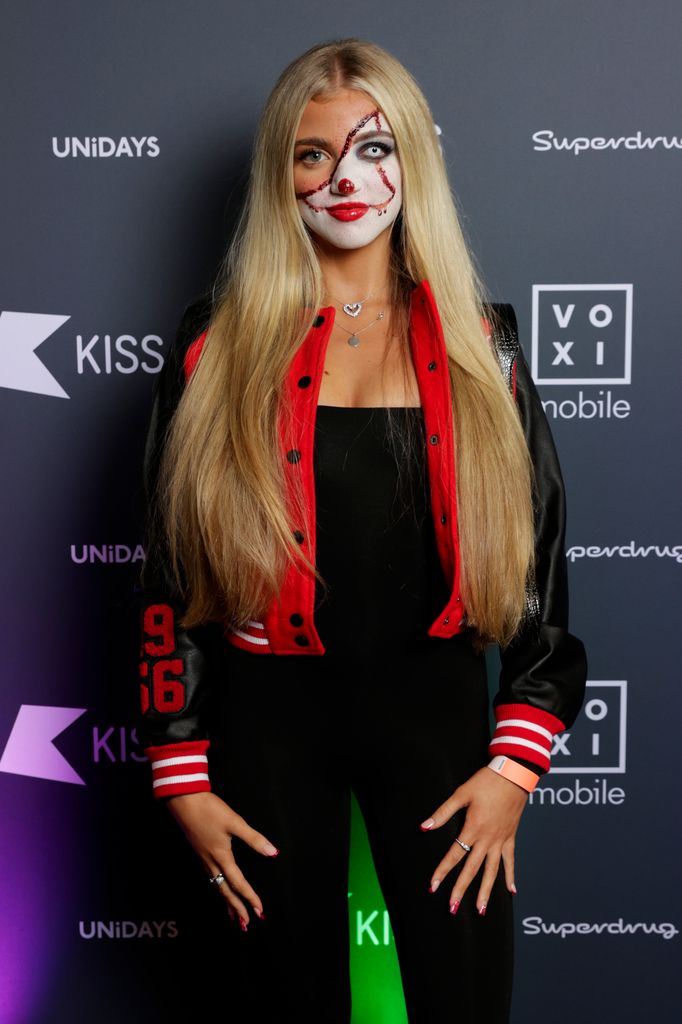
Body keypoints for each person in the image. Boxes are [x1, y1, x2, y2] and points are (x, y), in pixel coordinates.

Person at [134, 37, 587, 1023]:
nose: (343, 180)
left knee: (462, 1003)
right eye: (311, 154)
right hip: (263, 739)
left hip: (437, 733)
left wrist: (512, 768)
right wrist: (180, 771)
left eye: (373, 150)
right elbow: (167, 573)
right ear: (279, 174)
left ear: (412, 166)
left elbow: (540, 574)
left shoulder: (484, 342)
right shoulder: (213, 342)